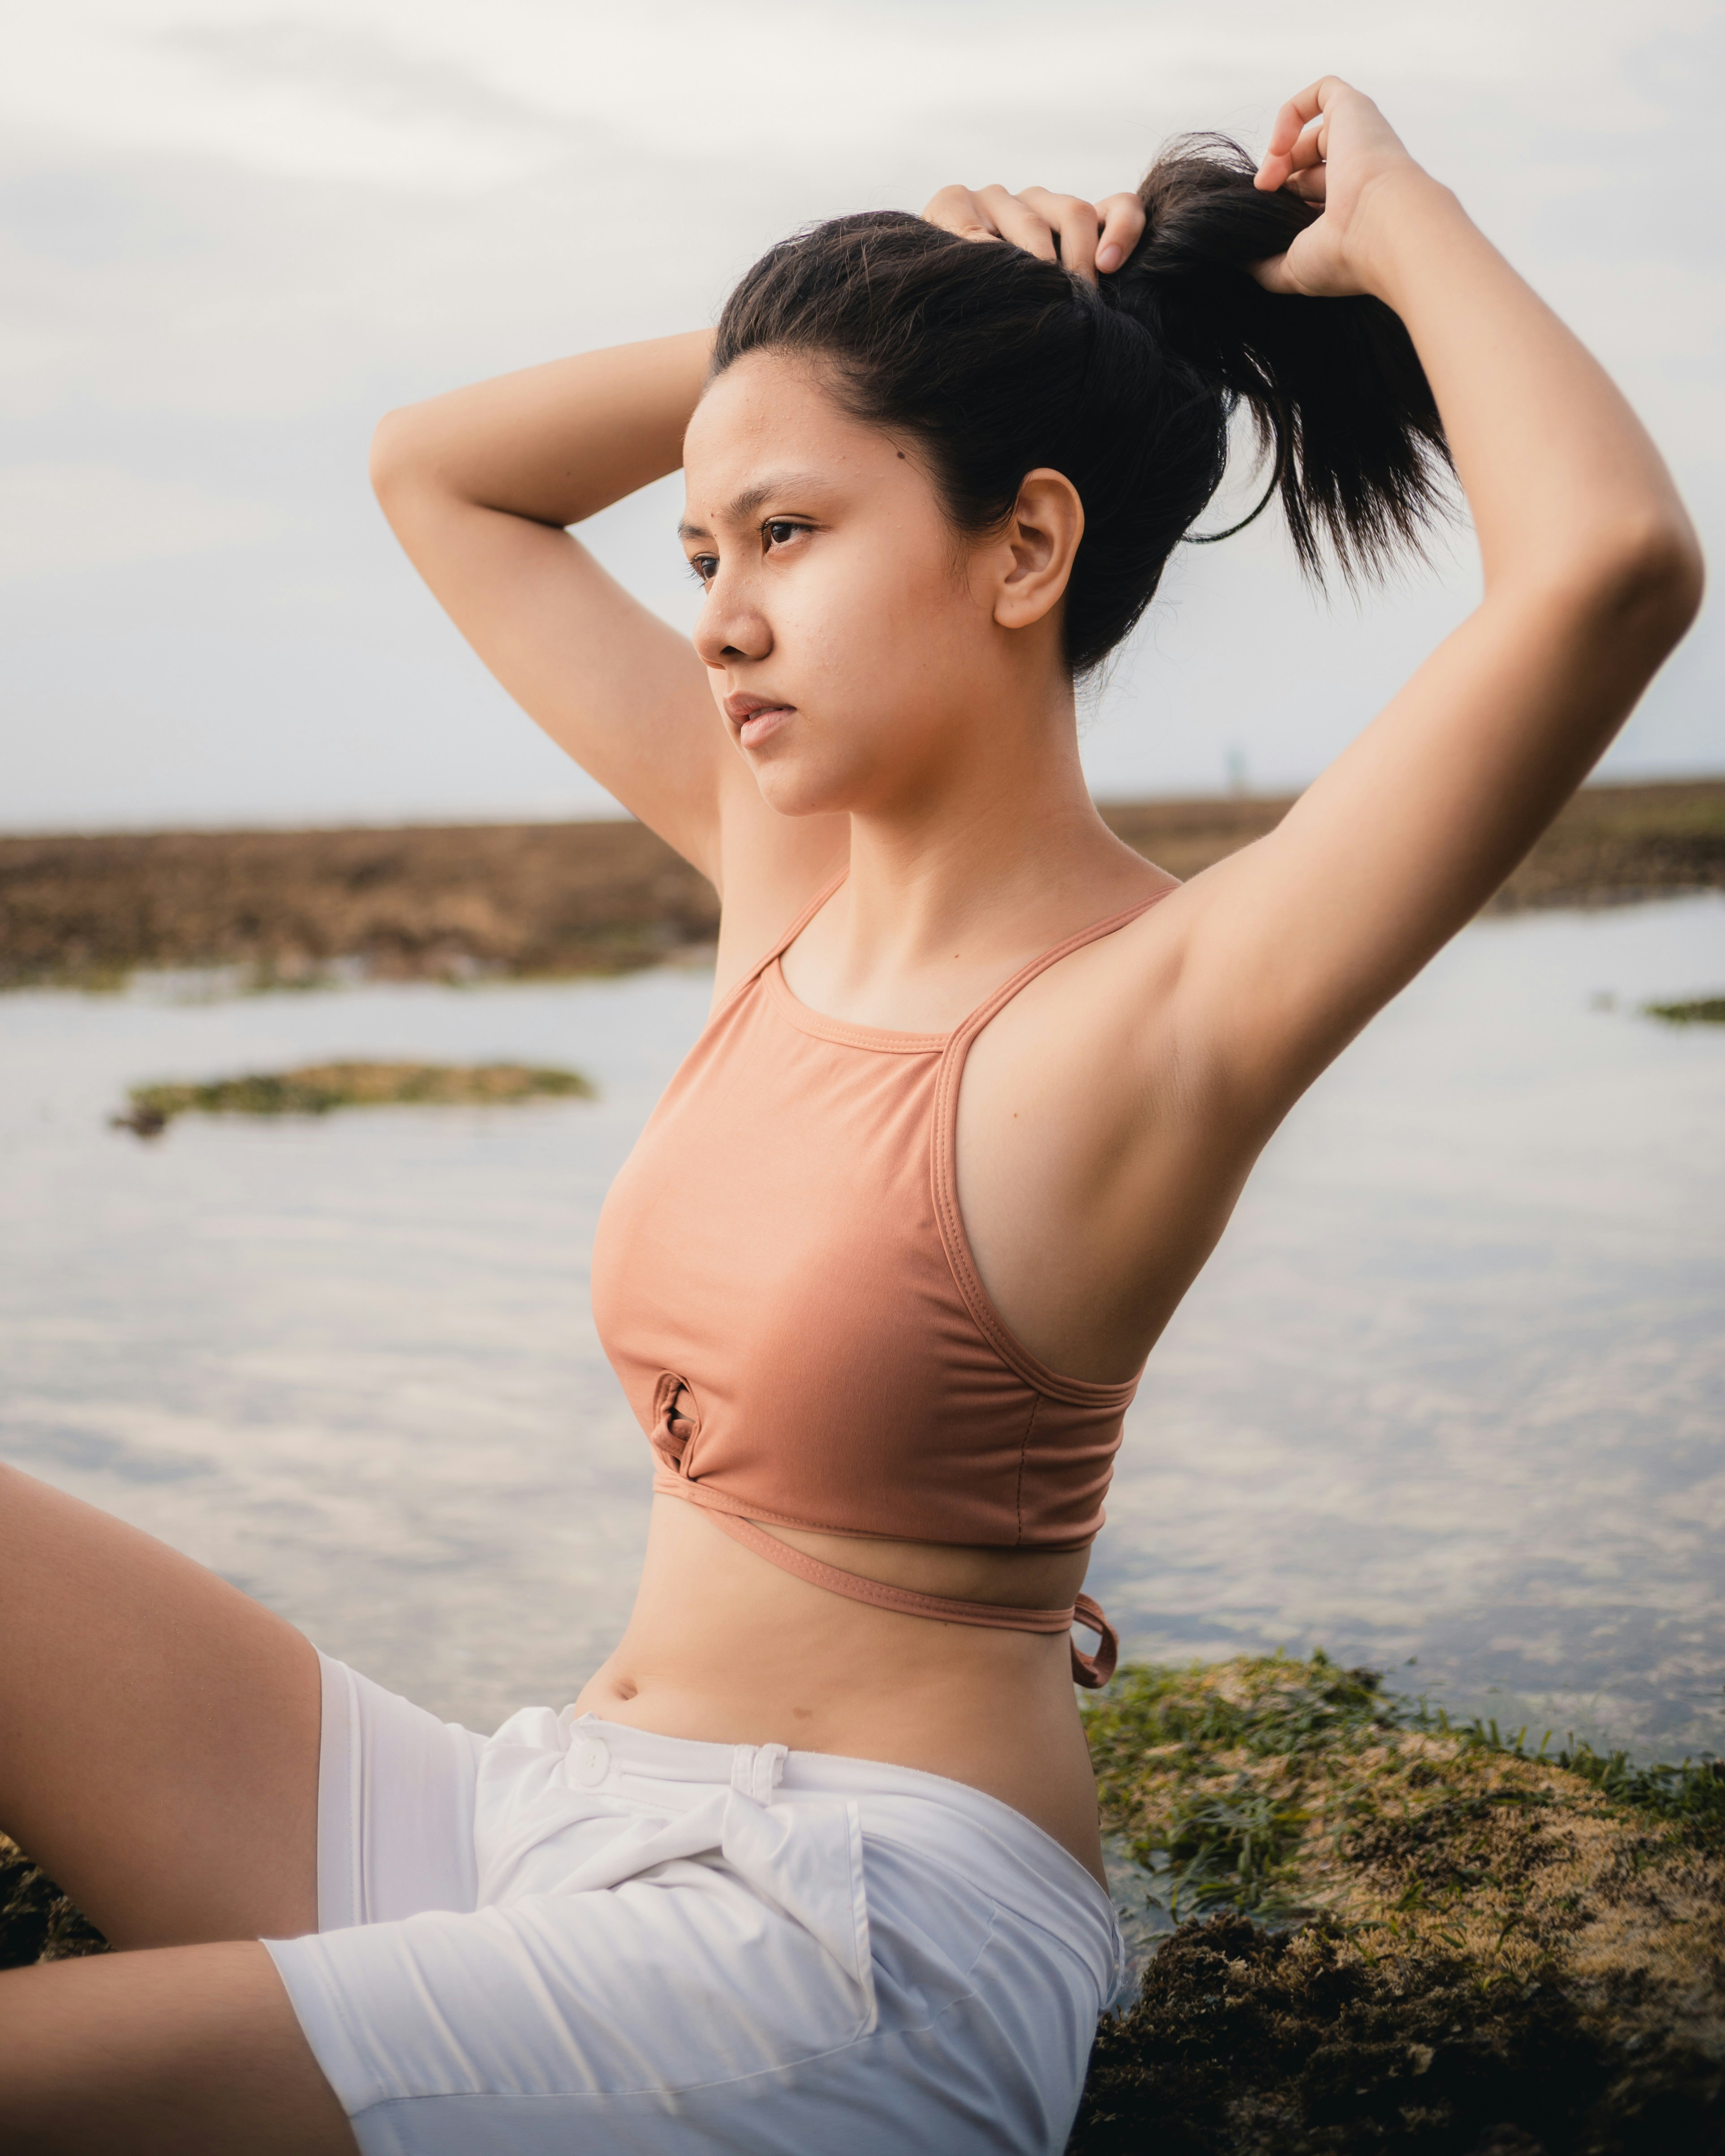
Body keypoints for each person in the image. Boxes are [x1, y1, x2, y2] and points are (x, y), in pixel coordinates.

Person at [0, 76, 1700, 2156]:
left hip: (840, 1949)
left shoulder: (1155, 1016)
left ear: (1031, 545)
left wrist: (1398, 220)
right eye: (705, 545)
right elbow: (437, 472)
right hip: (534, 1814)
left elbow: (1608, 565)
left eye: (786, 535)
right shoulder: (783, 872)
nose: (715, 612)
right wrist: (906, 296)